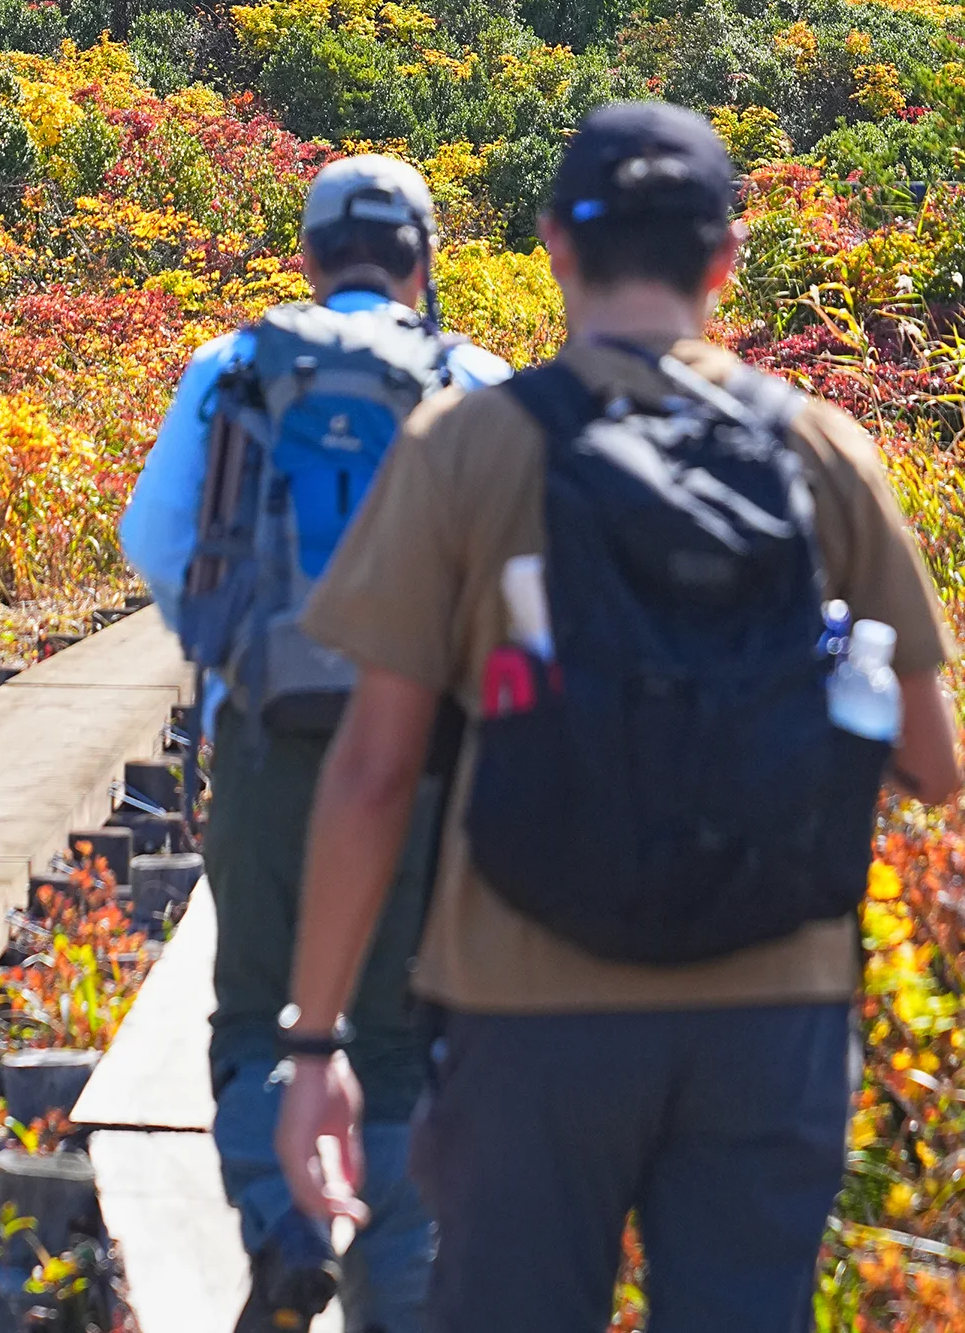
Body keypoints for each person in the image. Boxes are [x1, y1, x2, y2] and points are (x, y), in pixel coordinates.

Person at [274, 101, 961, 1333]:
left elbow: (374, 771)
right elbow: (932, 761)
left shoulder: (466, 447)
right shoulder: (823, 450)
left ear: (553, 245)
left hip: (526, 1011)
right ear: (723, 259)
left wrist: (318, 1044)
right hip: (772, 1006)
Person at [121, 155, 510, 1333]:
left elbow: (156, 536)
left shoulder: (232, 368)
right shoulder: (472, 381)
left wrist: (241, 656)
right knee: (397, 1027)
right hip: (430, 754)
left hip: (267, 738)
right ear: (422, 259)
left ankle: (288, 1232)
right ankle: (395, 1291)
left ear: (308, 253)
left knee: (256, 1011)